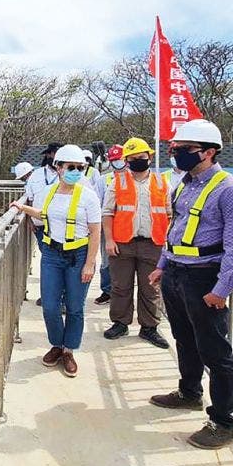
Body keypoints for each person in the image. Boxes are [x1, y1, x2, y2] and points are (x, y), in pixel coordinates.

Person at [147, 119, 233, 450]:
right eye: (174, 149)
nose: (176, 154)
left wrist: (221, 289)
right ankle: (189, 391)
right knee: (184, 337)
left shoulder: (232, 191)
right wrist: (162, 265)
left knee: (215, 349)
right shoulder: (184, 185)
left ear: (209, 153)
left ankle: (222, 421)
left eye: (183, 150)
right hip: (178, 272)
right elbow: (175, 228)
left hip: (205, 276)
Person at [11, 144, 101, 378]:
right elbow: (44, 214)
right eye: (70, 167)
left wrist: (90, 263)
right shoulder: (49, 192)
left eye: (80, 167)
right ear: (58, 168)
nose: (75, 171)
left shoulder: (88, 196)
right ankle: (56, 345)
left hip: (78, 255)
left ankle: (69, 350)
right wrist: (23, 208)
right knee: (50, 305)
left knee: (74, 306)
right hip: (52, 253)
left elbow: (95, 231)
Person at [102, 137, 170, 349]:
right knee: (120, 286)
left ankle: (149, 327)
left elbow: (169, 214)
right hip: (123, 243)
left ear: (149, 157)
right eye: (131, 159)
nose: (137, 162)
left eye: (141, 157)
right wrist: (109, 240)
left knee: (151, 288)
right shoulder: (118, 182)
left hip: (153, 243)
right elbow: (107, 213)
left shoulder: (161, 182)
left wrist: (167, 243)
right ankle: (120, 323)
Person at [24, 143, 64, 307]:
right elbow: (29, 198)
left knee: (63, 263)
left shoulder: (69, 176)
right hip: (40, 225)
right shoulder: (37, 175)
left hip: (63, 227)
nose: (53, 158)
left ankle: (62, 299)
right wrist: (29, 220)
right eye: (51, 154)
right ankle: (49, 296)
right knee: (49, 263)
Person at [95, 144, 126, 305]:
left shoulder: (135, 178)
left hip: (128, 227)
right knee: (107, 261)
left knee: (126, 263)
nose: (118, 162)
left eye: (120, 159)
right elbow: (97, 202)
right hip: (108, 227)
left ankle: (123, 294)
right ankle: (107, 290)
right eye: (114, 160)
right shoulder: (104, 180)